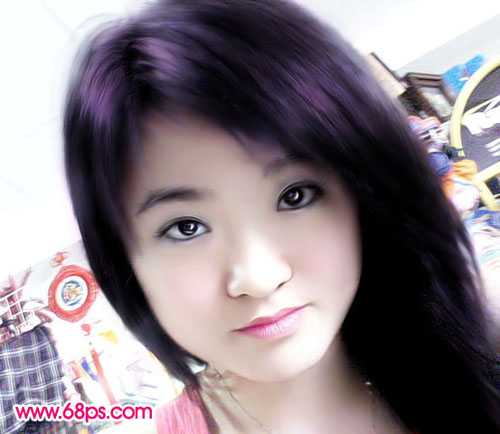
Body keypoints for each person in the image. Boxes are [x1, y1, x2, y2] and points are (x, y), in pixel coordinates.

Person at [62, 0, 500, 432]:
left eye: (295, 196)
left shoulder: (475, 344)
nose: (258, 278)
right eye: (185, 227)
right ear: (126, 264)